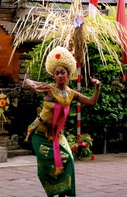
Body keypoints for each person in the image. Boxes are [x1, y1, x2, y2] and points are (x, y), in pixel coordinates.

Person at [24, 46, 101, 197]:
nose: (60, 75)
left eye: (62, 72)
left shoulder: (71, 93)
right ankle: (54, 192)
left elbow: (92, 102)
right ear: (54, 75)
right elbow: (27, 80)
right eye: (57, 73)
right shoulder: (48, 88)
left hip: (57, 134)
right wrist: (34, 85)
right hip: (40, 133)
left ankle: (66, 192)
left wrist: (97, 88)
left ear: (68, 74)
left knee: (69, 159)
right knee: (48, 166)